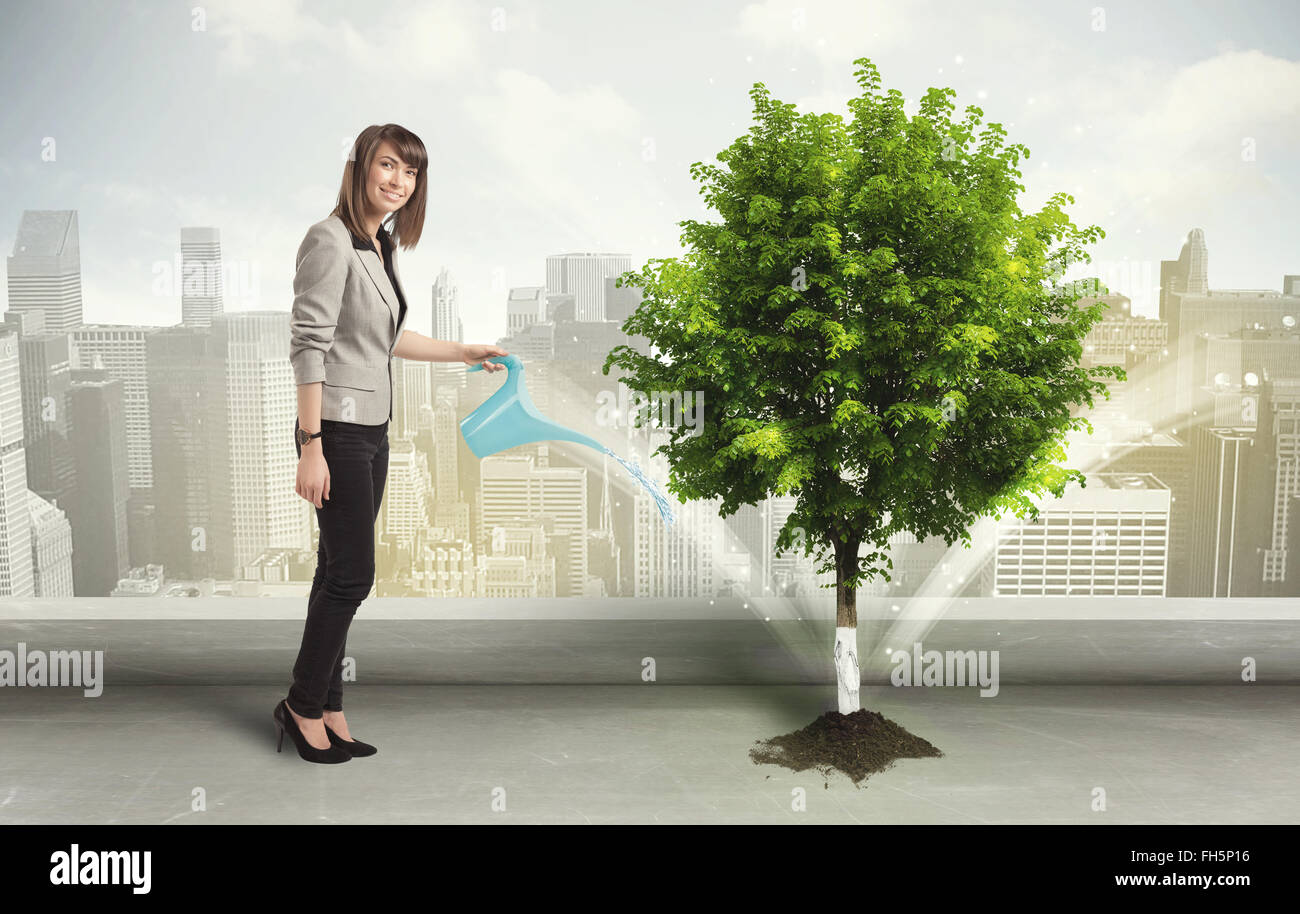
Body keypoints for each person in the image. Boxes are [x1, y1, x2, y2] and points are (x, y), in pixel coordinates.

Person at [274, 123, 508, 763]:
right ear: (358, 166)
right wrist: (311, 444)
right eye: (387, 166)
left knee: (335, 572)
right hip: (338, 432)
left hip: (374, 429)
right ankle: (300, 706)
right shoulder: (328, 240)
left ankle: (327, 705)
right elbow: (309, 346)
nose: (398, 182)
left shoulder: (377, 245)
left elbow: (383, 339)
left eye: (410, 173)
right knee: (353, 574)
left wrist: (462, 350)